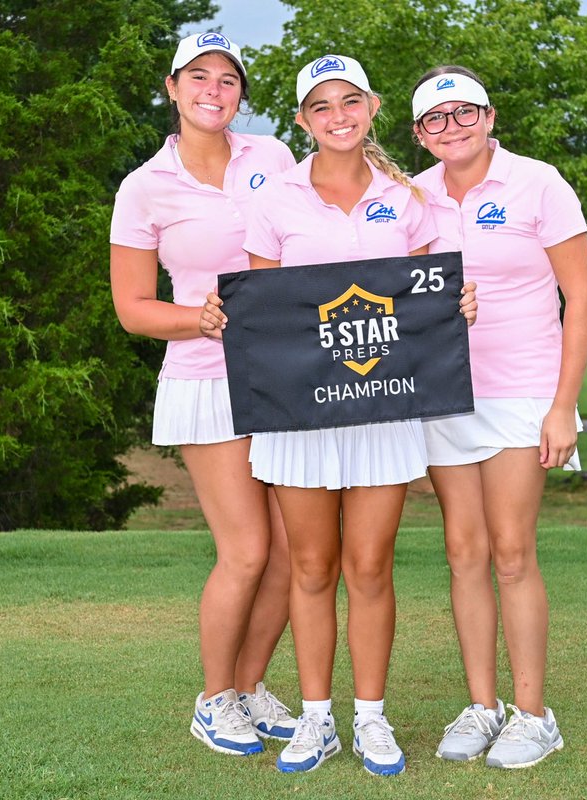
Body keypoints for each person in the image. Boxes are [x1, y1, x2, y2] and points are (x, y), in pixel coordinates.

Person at [202, 54, 475, 776]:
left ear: (373, 106)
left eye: (349, 101)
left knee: (369, 567)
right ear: (301, 120)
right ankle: (316, 720)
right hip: (302, 415)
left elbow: (425, 300)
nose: (338, 116)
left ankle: (372, 720)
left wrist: (458, 306)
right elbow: (265, 316)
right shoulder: (276, 199)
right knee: (313, 569)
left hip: (383, 414)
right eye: (321, 107)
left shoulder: (407, 198)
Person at [109, 32, 298, 758]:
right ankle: (212, 700)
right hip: (204, 379)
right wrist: (199, 319)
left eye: (227, 79)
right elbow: (133, 307)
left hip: (285, 379)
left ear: (241, 94)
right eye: (198, 76)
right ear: (173, 86)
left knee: (293, 555)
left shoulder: (275, 158)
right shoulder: (145, 186)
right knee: (247, 550)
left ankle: (248, 691)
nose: (212, 89)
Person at [408, 66, 587, 769]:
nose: (451, 127)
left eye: (465, 113)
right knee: (464, 551)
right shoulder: (410, 197)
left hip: (524, 392)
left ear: (490, 118)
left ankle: (533, 714)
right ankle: (482, 705)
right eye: (436, 118)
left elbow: (580, 296)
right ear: (419, 134)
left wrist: (562, 406)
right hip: (444, 392)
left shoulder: (538, 182)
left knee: (513, 551)